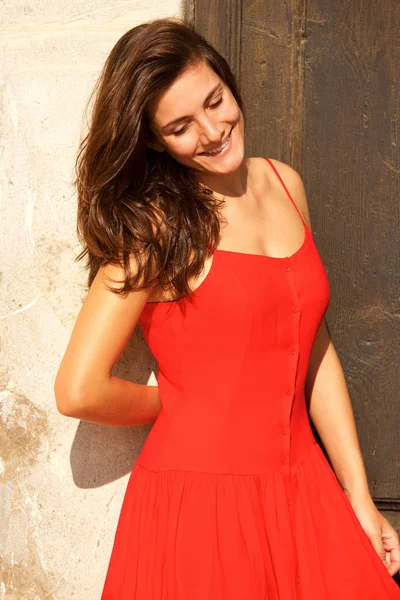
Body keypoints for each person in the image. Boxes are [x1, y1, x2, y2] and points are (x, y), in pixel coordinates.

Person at [54, 16, 400, 599]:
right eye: (181, 126)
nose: (213, 130)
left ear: (229, 79)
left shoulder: (284, 183)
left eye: (216, 101)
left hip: (303, 487)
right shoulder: (155, 227)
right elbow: (79, 389)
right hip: (203, 507)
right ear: (153, 141)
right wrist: (176, 400)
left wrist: (358, 498)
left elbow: (313, 345)